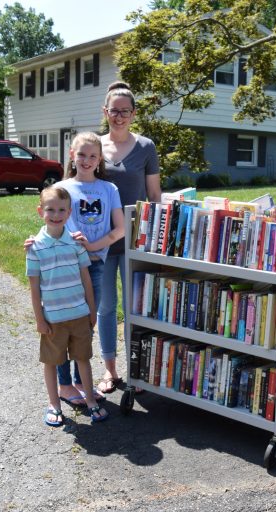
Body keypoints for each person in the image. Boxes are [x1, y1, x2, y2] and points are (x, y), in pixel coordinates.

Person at [43, 131, 125, 407]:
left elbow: (121, 228)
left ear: (100, 158)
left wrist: (95, 246)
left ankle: (81, 380)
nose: (87, 160)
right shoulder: (64, 187)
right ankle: (65, 385)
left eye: (93, 156)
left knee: (87, 324)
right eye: (82, 155)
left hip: (97, 265)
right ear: (72, 155)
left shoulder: (108, 189)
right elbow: (53, 223)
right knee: (63, 323)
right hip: (66, 267)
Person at [96, 81, 162, 395]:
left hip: (136, 242)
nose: (119, 116)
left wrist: (161, 238)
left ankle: (138, 371)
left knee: (138, 310)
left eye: (125, 111)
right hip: (103, 242)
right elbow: (77, 190)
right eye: (114, 111)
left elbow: (153, 195)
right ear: (105, 112)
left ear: (133, 114)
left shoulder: (146, 147)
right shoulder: (94, 147)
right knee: (107, 307)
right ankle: (111, 372)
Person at [26, 186, 107, 426]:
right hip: (52, 319)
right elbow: (34, 287)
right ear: (41, 211)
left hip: (80, 314)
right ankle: (54, 404)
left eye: (62, 209)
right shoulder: (34, 248)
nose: (56, 214)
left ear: (69, 212)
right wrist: (39, 319)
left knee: (83, 358)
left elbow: (86, 281)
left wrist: (92, 312)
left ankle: (90, 401)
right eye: (50, 209)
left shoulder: (75, 243)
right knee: (52, 361)